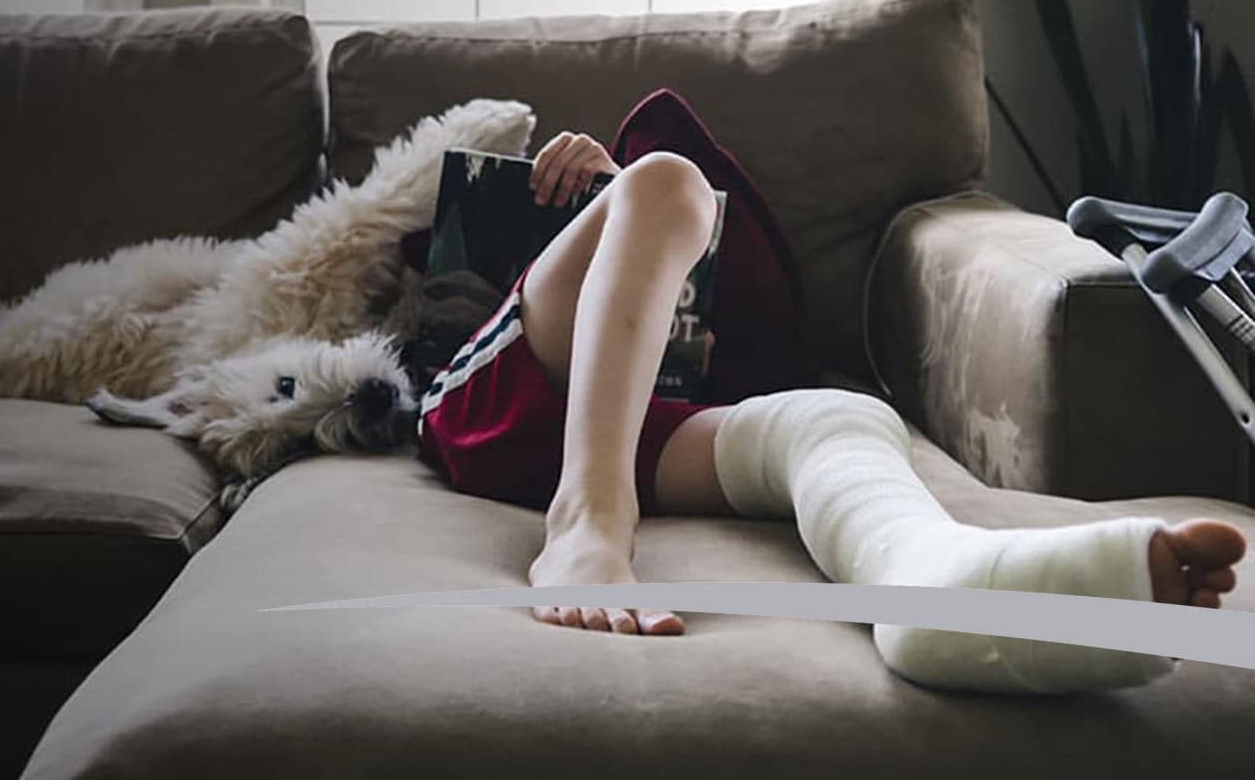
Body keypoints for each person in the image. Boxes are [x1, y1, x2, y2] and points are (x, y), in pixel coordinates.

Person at [415, 126, 1246, 692]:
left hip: (639, 420)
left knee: (835, 420)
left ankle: (934, 580)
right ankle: (587, 517)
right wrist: (613, 192)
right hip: (496, 394)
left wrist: (595, 177)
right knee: (669, 181)